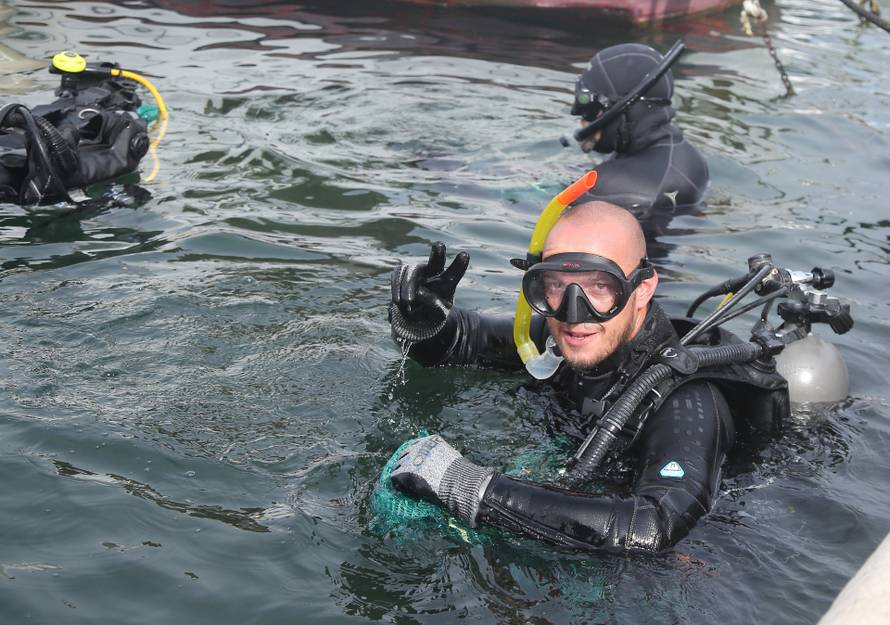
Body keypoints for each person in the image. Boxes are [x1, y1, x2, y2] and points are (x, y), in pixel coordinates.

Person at [386, 201, 788, 552]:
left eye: (599, 287)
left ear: (642, 288)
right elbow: (466, 342)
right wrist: (424, 324)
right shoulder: (563, 337)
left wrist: (475, 488)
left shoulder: (689, 401)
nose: (573, 312)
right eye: (556, 286)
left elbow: (656, 527)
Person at [568, 43, 709, 219]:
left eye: (588, 107)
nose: (581, 118)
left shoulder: (611, 188)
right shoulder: (687, 156)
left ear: (620, 108)